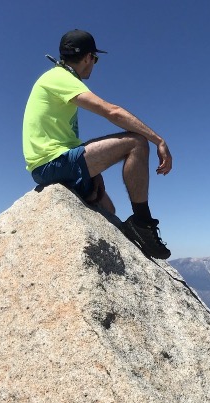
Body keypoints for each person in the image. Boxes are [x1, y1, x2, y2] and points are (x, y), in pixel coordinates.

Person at [22, 29, 172, 260]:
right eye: (95, 59)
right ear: (88, 57)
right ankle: (142, 222)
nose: (94, 64)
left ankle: (131, 231)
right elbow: (111, 111)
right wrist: (159, 140)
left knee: (107, 209)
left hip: (54, 162)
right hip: (51, 163)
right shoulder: (60, 78)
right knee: (137, 143)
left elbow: (64, 138)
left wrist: (94, 173)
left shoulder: (56, 78)